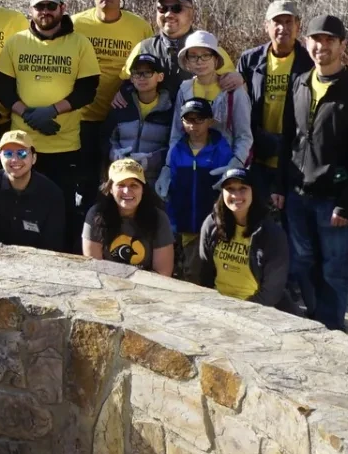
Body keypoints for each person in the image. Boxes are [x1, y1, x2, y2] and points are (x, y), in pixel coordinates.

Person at [276, 15, 348, 332]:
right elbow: (288, 139)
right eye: (317, 39)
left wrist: (347, 202)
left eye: (330, 40)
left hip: (332, 199)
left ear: (343, 45)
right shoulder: (300, 83)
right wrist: (281, 185)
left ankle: (332, 328)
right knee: (302, 261)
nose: (322, 46)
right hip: (298, 194)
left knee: (334, 267)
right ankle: (315, 320)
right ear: (307, 43)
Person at [0, 0, 100, 232]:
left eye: (51, 6)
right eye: (39, 6)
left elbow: (87, 90)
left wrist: (52, 110)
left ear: (62, 8)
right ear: (30, 10)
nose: (45, 11)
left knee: (59, 206)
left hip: (64, 143)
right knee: (20, 207)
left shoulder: (80, 44)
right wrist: (29, 115)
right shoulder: (16, 42)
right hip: (22, 146)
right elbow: (3, 89)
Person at [71, 0, 152, 179]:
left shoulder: (140, 27)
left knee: (116, 175)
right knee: (84, 174)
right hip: (81, 115)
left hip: (121, 113)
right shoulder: (74, 24)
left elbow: (149, 67)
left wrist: (127, 89)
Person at [238, 1, 311, 198]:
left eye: (289, 22)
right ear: (266, 26)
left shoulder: (310, 62)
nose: (283, 28)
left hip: (294, 158)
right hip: (258, 155)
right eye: (277, 22)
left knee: (292, 222)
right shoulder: (249, 60)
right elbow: (239, 108)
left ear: (298, 26)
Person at [158, 98, 234, 273]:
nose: (193, 125)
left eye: (199, 119)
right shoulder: (177, 149)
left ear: (209, 121)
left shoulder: (221, 149)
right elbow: (173, 188)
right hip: (184, 223)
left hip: (213, 223)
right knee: (190, 270)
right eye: (188, 120)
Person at [197, 168, 290, 309]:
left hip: (258, 310)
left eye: (243, 188)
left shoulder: (272, 234)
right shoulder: (211, 224)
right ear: (222, 193)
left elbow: (272, 292)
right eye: (230, 189)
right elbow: (205, 274)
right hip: (218, 305)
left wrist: (242, 311)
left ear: (253, 191)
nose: (236, 195)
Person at [128, 0, 241, 95]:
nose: (168, 14)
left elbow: (235, 86)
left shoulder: (210, 47)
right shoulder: (143, 48)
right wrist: (123, 92)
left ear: (191, 14)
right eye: (162, 8)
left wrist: (240, 78)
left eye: (176, 8)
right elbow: (126, 83)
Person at [165, 32, 252, 170]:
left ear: (216, 60)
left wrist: (235, 164)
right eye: (193, 56)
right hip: (190, 166)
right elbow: (177, 134)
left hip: (224, 164)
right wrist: (169, 166)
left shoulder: (233, 92)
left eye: (206, 55)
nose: (199, 61)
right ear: (187, 62)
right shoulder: (184, 90)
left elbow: (244, 136)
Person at [0, 131, 68, 251]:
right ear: (0, 158)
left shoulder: (52, 193)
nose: (14, 159)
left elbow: (53, 243)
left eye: (22, 153)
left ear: (34, 158)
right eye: (8, 154)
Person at [84, 158, 174, 275]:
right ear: (110, 189)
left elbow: (163, 273)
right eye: (121, 185)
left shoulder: (159, 218)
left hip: (147, 287)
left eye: (134, 185)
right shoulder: (96, 215)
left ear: (143, 189)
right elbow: (94, 268)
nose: (127, 191)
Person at [104, 53, 175, 179]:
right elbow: (106, 138)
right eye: (137, 73)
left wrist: (151, 160)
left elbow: (174, 144)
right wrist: (115, 154)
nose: (141, 78)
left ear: (160, 77)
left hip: (155, 179)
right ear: (131, 78)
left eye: (147, 72)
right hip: (122, 176)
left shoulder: (170, 108)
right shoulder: (121, 104)